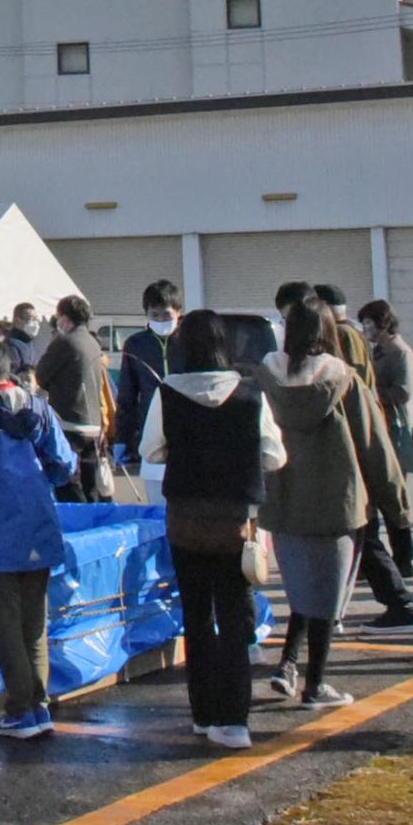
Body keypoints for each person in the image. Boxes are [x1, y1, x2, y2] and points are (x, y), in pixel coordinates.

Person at [141, 310, 286, 749]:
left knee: (197, 618)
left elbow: (151, 449)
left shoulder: (167, 393)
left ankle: (203, 714)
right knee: (234, 617)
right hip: (234, 523)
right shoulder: (250, 394)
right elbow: (275, 455)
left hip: (185, 519)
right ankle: (235, 720)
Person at [256, 298, 401, 706]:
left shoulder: (266, 378)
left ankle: (287, 664)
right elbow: (374, 446)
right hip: (336, 501)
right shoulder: (345, 379)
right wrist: (396, 508)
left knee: (301, 589)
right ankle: (316, 684)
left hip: (282, 502)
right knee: (327, 596)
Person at [0, 335, 77, 739]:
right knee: (35, 623)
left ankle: (21, 709)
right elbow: (65, 463)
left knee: (5, 626)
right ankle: (38, 707)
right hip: (39, 523)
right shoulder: (39, 407)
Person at [35, 295, 114, 502]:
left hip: (69, 423)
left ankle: (77, 527)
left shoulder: (64, 342)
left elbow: (41, 376)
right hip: (94, 425)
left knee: (69, 483)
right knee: (91, 486)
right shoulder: (93, 343)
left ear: (65, 318)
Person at [118, 279, 184, 494]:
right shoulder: (136, 344)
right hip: (151, 429)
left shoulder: (188, 340)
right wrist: (122, 439)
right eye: (154, 315)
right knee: (156, 495)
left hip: (187, 426)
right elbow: (127, 395)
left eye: (166, 315)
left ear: (178, 312)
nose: (160, 320)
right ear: (146, 314)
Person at [358, 300, 413, 478]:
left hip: (398, 426)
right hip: (384, 423)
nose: (365, 327)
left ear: (383, 323)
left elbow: (403, 392)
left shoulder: (399, 351)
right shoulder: (378, 349)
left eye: (368, 322)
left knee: (394, 479)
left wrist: (371, 392)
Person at [5, 303, 43, 382]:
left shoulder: (28, 341)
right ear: (17, 320)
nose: (35, 323)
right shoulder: (11, 344)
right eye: (31, 319)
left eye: (36, 319)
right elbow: (10, 373)